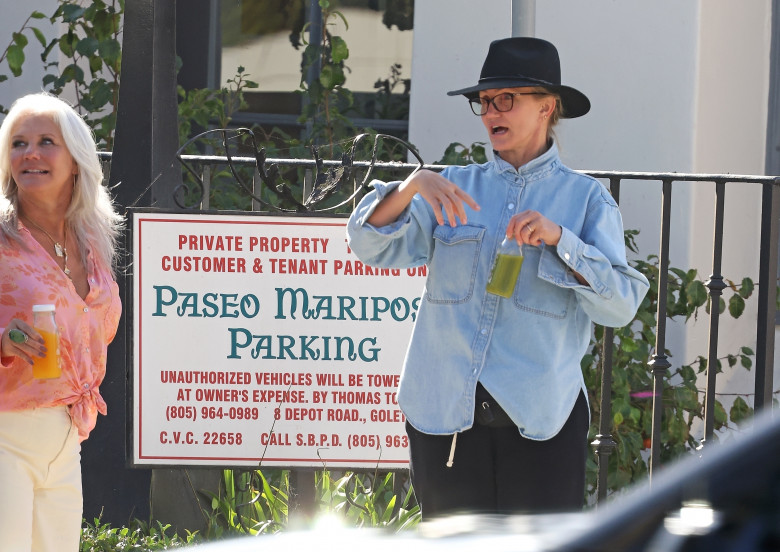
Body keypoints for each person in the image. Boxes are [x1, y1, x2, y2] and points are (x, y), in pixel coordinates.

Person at [346, 37, 649, 518]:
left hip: (540, 421)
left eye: (506, 98)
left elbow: (620, 304)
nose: (491, 112)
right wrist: (409, 188)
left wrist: (561, 240)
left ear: (547, 106)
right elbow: (368, 245)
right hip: (445, 416)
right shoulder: (450, 188)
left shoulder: (586, 201)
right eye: (485, 102)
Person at [0, 93, 123, 551]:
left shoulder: (92, 241)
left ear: (76, 160)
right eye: (18, 143)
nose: (29, 153)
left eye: (46, 141)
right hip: (6, 435)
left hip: (65, 439)